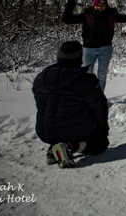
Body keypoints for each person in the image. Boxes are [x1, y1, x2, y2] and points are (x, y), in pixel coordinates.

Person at [32, 40, 109, 168]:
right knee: (100, 144)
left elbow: (41, 105)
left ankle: (54, 149)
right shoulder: (86, 80)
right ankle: (70, 146)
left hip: (45, 132)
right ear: (80, 58)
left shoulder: (41, 79)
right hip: (75, 130)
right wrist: (102, 130)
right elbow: (99, 108)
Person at [62, 0, 126, 91]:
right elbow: (66, 19)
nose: (100, 7)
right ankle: (87, 98)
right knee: (87, 75)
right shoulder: (86, 15)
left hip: (105, 49)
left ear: (106, 6)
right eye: (97, 5)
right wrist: (71, 1)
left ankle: (99, 98)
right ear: (94, 5)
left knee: (101, 75)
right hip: (89, 49)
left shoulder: (111, 15)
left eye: (102, 5)